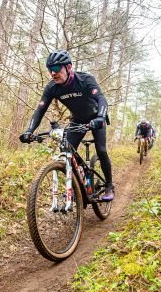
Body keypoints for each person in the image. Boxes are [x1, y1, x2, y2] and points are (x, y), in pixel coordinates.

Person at [19, 49, 114, 201]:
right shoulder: (52, 87)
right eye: (50, 70)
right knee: (67, 151)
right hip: (77, 121)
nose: (53, 73)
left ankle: (109, 186)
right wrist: (29, 130)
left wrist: (100, 117)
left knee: (101, 150)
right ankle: (78, 187)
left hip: (95, 119)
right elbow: (40, 110)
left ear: (68, 68)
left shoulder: (85, 80)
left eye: (56, 69)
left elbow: (101, 100)